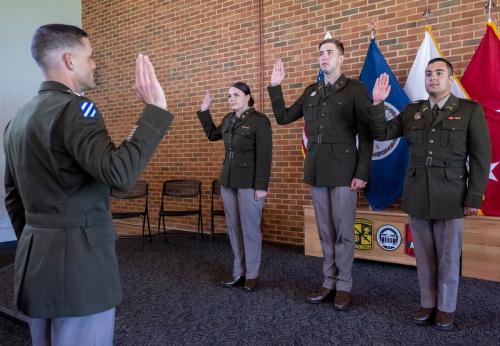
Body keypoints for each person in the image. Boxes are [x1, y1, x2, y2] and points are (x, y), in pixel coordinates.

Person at [3, 24, 173, 345]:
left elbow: (13, 197)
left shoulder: (18, 120)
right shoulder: (77, 110)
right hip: (79, 269)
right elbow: (119, 174)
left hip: (35, 263)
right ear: (70, 60)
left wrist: (43, 240)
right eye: (91, 56)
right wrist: (155, 111)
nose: (94, 64)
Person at [370, 57, 491, 330]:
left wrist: (474, 198)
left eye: (438, 73)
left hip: (452, 195)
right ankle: (428, 304)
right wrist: (378, 104)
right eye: (428, 74)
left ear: (450, 78)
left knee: (448, 257)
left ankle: (446, 308)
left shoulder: (469, 110)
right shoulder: (412, 111)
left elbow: (481, 158)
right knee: (423, 256)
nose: (432, 78)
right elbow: (383, 133)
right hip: (417, 194)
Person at [268, 38, 382, 310]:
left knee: (343, 232)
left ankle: (344, 285)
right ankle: (328, 282)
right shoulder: (312, 91)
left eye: (330, 52)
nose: (324, 56)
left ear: (342, 58)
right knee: (325, 232)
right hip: (317, 170)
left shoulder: (355, 90)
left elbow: (367, 137)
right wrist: (275, 86)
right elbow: (284, 117)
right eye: (321, 53)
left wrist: (362, 172)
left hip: (344, 172)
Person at [197, 82, 272, 292]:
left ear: (248, 97)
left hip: (249, 183)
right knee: (233, 228)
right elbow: (213, 134)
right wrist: (204, 111)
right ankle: (238, 272)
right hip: (228, 181)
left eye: (236, 95)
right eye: (229, 95)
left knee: (250, 229)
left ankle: (252, 274)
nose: (231, 99)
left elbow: (265, 156)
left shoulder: (259, 121)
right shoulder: (229, 119)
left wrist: (261, 186)